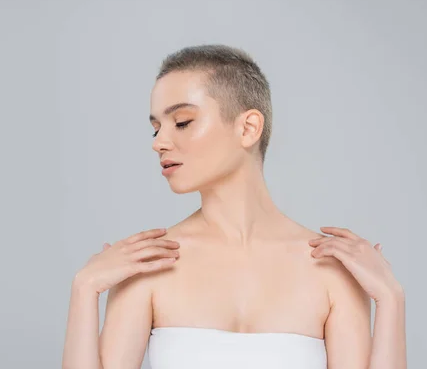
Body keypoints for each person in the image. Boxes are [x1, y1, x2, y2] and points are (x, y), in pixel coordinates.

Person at [62, 44, 406, 369]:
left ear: (248, 127)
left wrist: (391, 299)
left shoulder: (334, 270)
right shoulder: (146, 262)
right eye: (156, 129)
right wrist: (84, 287)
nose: (160, 143)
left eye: (182, 122)